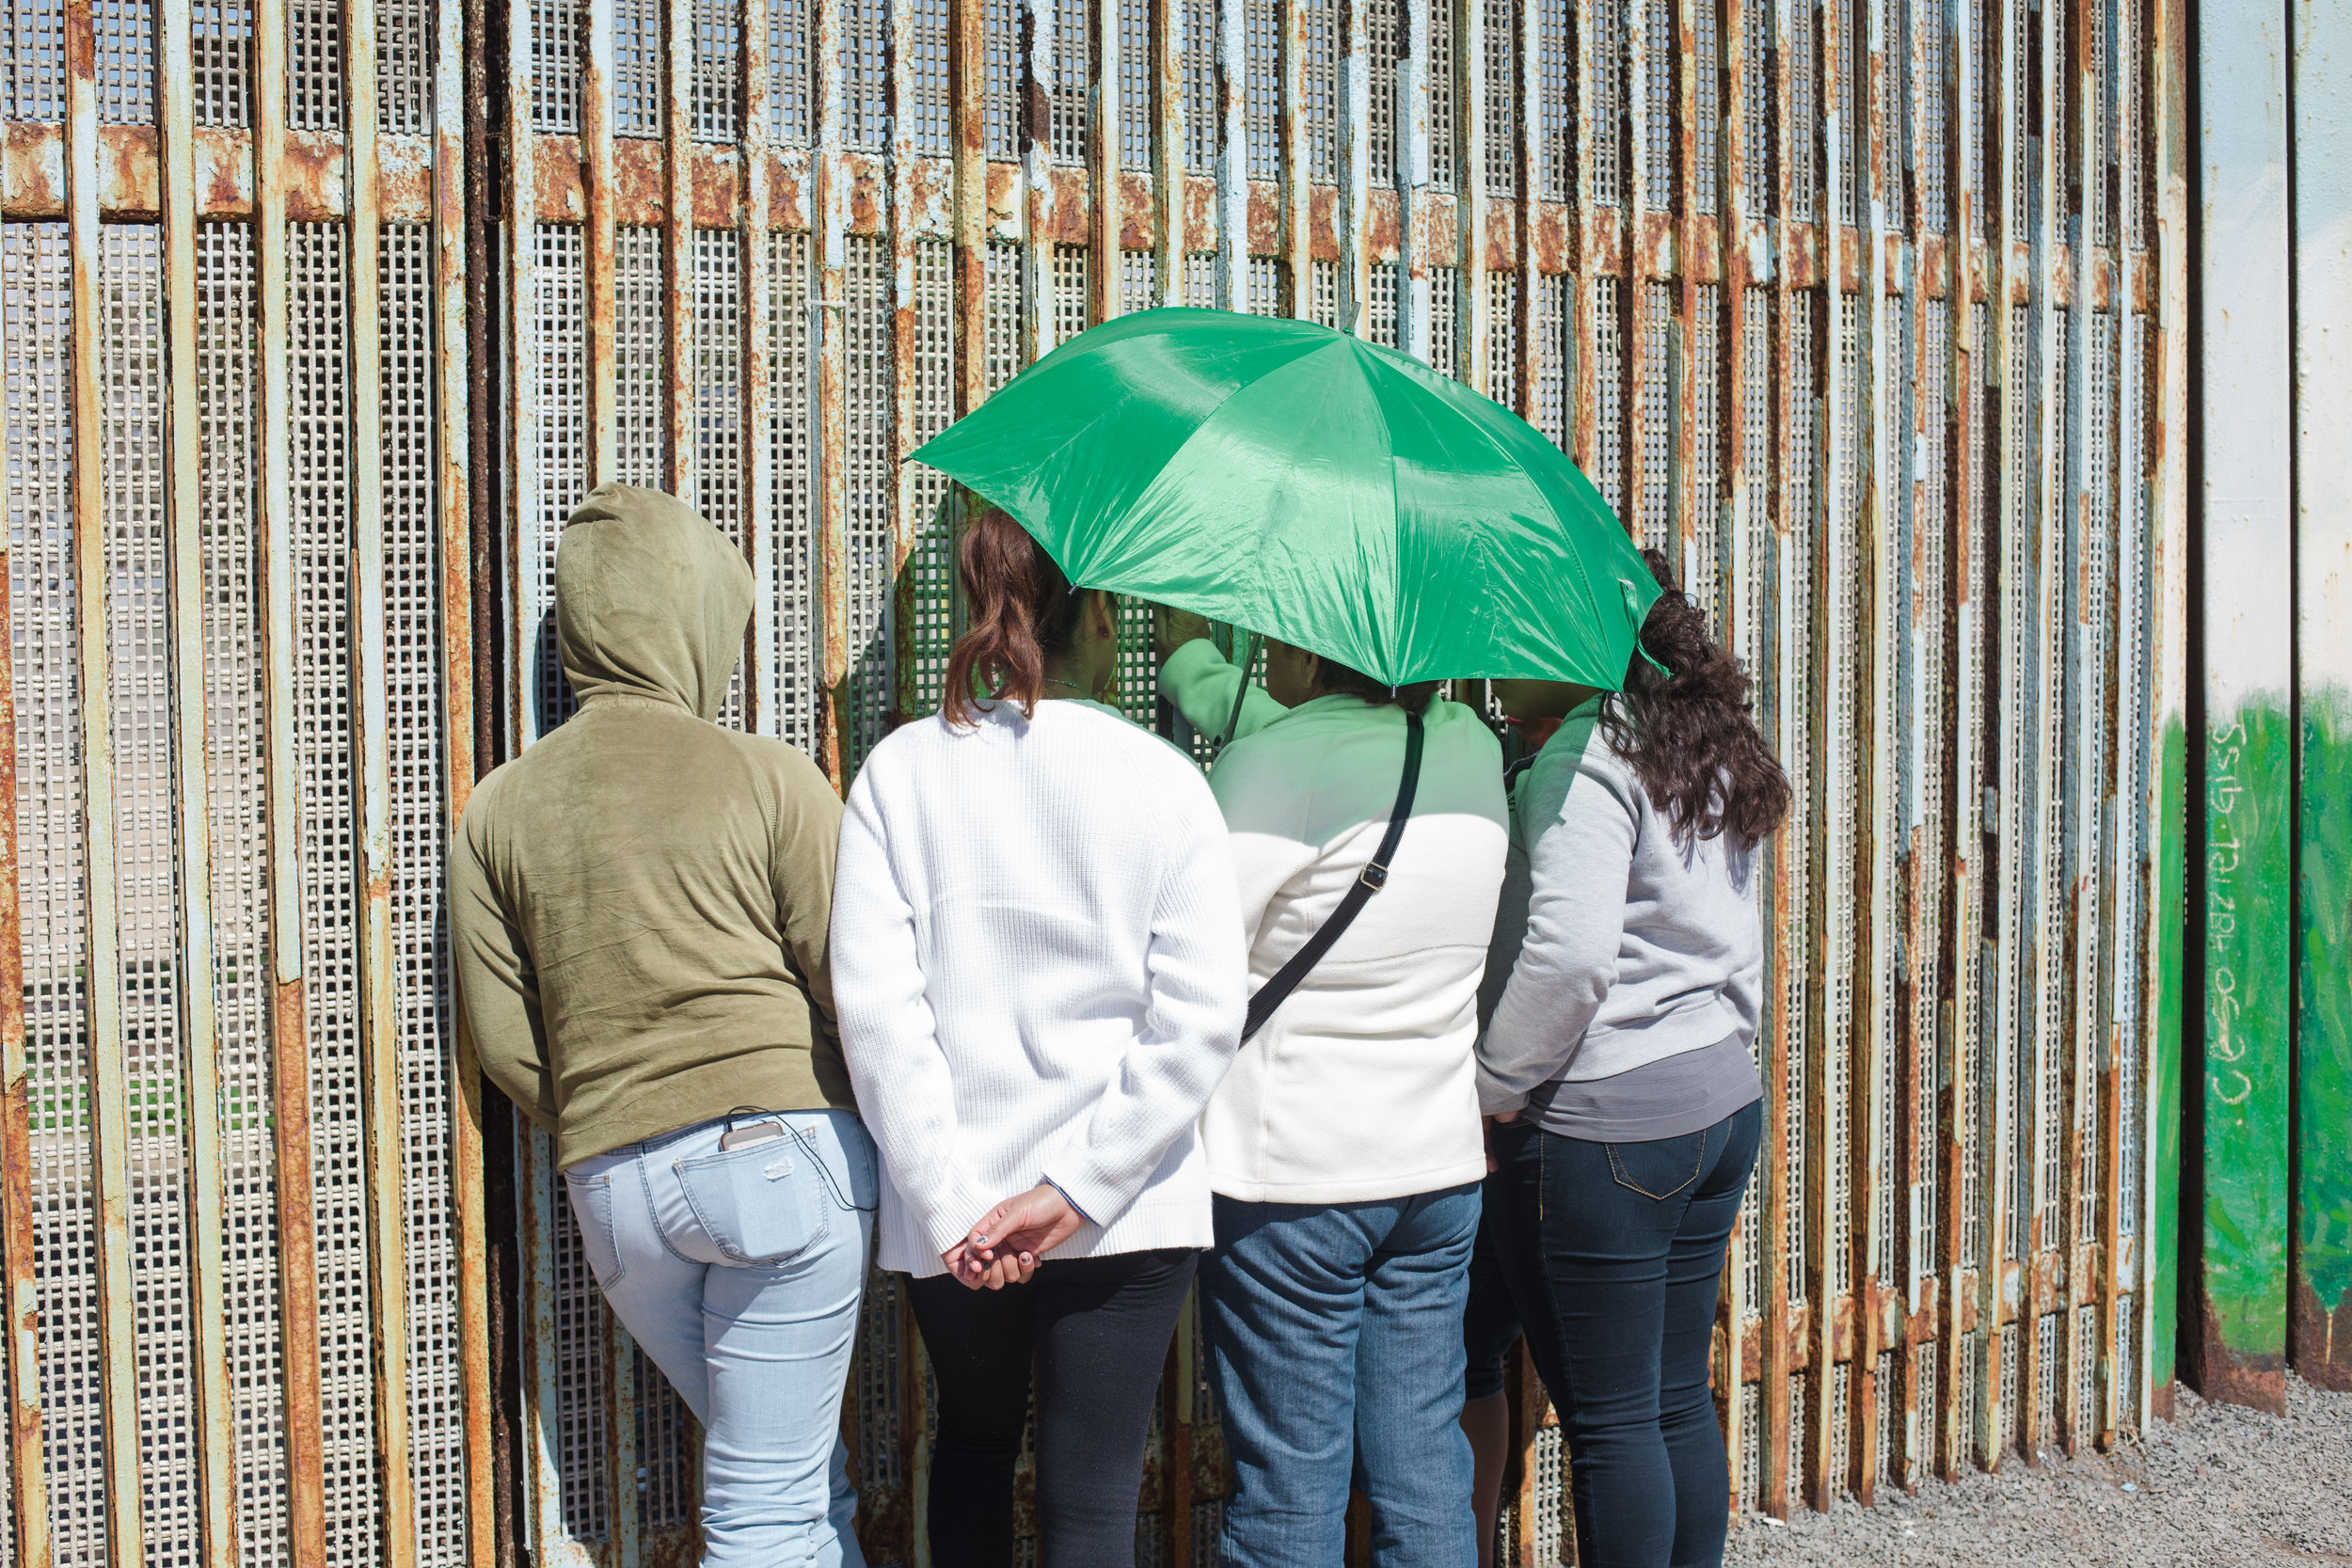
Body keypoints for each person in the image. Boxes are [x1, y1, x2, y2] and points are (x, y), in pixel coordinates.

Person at [451, 484, 872, 1568]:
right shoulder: (764, 774)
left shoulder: (497, 806)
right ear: (688, 618)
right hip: (778, 1165)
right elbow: (854, 975)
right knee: (766, 1510)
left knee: (790, 1472)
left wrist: (620, 1102)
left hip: (616, 1193)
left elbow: (505, 1044)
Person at [830, 502, 1247, 1568]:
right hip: (1126, 1208)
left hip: (955, 1218)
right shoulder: (1166, 779)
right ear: (1097, 615)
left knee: (970, 1448)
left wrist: (958, 1200)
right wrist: (1074, 1191)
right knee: (1093, 1499)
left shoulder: (899, 773)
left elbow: (880, 1014)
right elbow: (1199, 1018)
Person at [1154, 610, 1509, 1568]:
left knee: (1287, 1493)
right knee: (1423, 1470)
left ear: (1308, 646)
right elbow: (1338, 764)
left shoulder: (1268, 767)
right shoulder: (1468, 746)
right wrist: (1203, 670)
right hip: (1433, 1173)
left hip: (1291, 1182)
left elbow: (1192, 959)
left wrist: (1189, 656)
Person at [1474, 548, 1789, 1568]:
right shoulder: (1689, 736)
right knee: (1668, 1398)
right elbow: (1732, 929)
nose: (1493, 667)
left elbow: (1567, 957)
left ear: (1571, 643)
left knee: (1611, 1422)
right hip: (1717, 1098)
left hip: (1612, 1124)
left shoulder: (1583, 754)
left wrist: (1492, 1086)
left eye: (1514, 638)